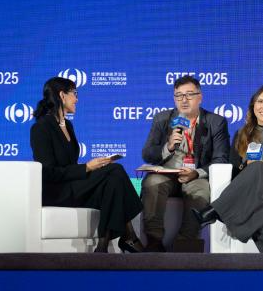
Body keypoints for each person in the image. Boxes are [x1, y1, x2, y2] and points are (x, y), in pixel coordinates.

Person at [29, 76, 143, 253]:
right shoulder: (41, 128)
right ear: (62, 95)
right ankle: (128, 237)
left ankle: (103, 246)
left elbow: (69, 164)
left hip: (73, 185)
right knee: (115, 169)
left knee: (112, 181)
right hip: (57, 191)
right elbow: (49, 172)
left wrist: (92, 167)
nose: (77, 99)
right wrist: (87, 167)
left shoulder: (68, 125)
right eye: (74, 93)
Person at [191, 85, 263, 253]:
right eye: (260, 101)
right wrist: (246, 166)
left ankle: (215, 210)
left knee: (258, 167)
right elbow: (235, 171)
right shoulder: (241, 134)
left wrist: (259, 167)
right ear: (253, 106)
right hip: (259, 195)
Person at [140, 75, 230, 251]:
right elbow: (147, 154)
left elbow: (221, 158)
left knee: (201, 190)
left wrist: (196, 173)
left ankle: (184, 243)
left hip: (196, 175)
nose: (184, 100)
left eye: (189, 94)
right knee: (152, 183)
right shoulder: (162, 119)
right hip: (167, 174)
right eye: (179, 95)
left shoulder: (216, 122)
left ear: (200, 97)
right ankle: (154, 241)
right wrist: (168, 146)